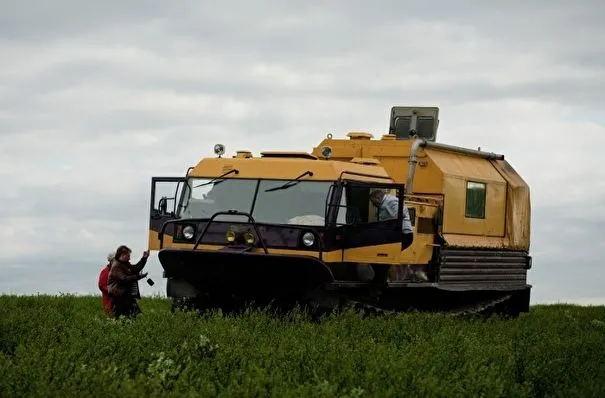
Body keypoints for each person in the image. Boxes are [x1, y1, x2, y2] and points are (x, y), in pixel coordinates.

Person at [107, 245, 149, 318]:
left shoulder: (125, 264)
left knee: (135, 316)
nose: (129, 258)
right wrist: (138, 277)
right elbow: (124, 279)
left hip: (126, 295)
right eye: (128, 256)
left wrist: (144, 259)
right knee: (123, 318)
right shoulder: (116, 266)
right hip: (119, 297)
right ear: (123, 255)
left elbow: (135, 269)